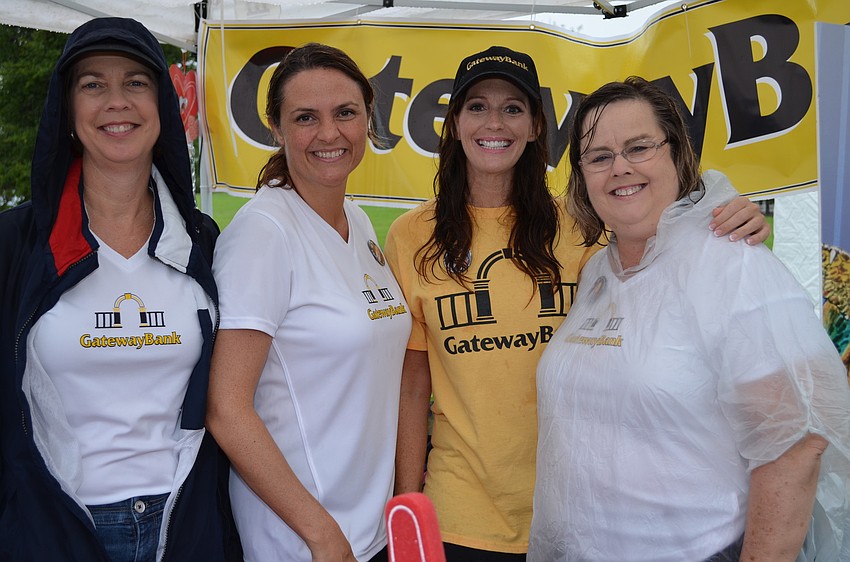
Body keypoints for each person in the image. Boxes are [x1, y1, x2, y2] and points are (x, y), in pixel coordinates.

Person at [384, 46, 771, 561]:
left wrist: (728, 214)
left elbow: (664, 235)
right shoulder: (412, 236)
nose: (494, 122)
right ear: (454, 123)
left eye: (513, 108)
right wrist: (406, 501)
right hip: (459, 516)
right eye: (477, 106)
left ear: (537, 126)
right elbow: (414, 384)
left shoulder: (585, 222)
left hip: (582, 518)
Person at [529, 76, 850, 562]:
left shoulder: (730, 262)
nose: (620, 168)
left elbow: (797, 441)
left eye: (639, 147)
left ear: (676, 154)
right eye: (598, 156)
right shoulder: (598, 271)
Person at [0, 17, 241, 562]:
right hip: (52, 532)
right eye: (93, 84)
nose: (117, 101)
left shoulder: (201, 240)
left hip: (184, 532)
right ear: (67, 109)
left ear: (161, 101)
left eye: (135, 81)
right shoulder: (17, 244)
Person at [206, 43, 411, 562]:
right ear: (275, 128)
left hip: (370, 532)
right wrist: (320, 534)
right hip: (304, 543)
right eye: (305, 117)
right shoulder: (263, 232)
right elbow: (226, 409)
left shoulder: (359, 223)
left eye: (345, 112)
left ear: (368, 117)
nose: (329, 133)